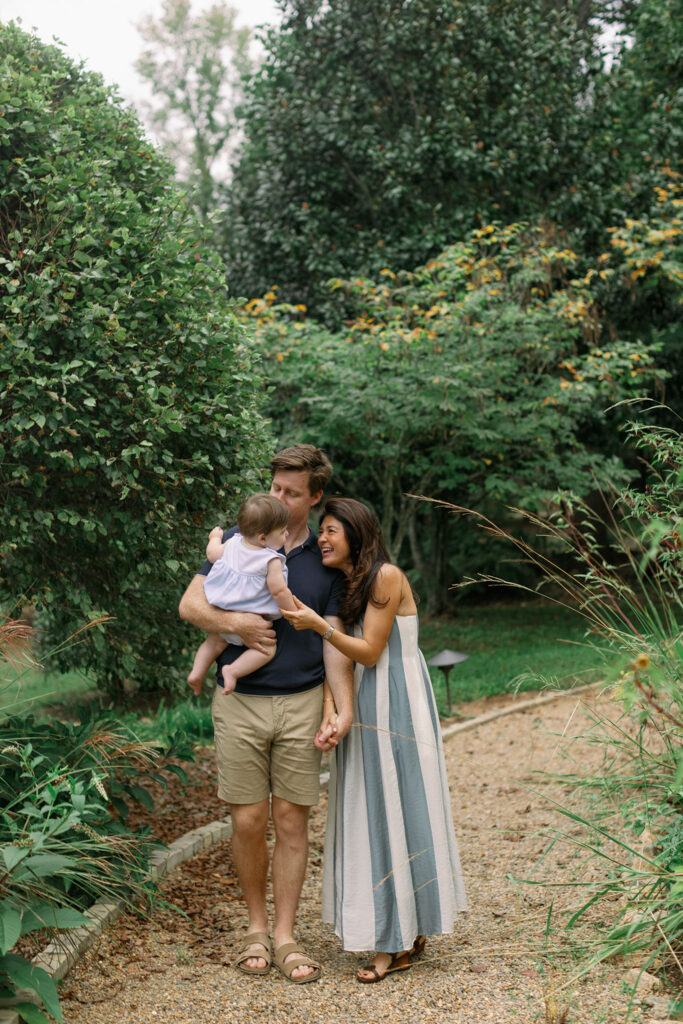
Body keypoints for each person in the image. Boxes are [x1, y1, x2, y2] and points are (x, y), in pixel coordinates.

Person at [178, 445, 354, 983]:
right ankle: (255, 927)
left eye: (291, 493)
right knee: (249, 820)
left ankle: (285, 936)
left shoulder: (324, 559)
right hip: (240, 704)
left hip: (301, 701)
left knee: (291, 821)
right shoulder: (240, 538)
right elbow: (190, 605)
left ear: (315, 497)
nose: (277, 498)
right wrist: (240, 623)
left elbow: (333, 645)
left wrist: (338, 707)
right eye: (275, 487)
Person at [282, 497, 467, 982]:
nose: (321, 539)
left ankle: (395, 942)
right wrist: (332, 708)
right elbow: (336, 661)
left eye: (330, 531)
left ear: (356, 534)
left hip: (398, 702)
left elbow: (368, 652)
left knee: (399, 808)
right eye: (320, 531)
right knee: (372, 812)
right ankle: (402, 926)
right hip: (362, 704)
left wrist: (319, 624)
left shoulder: (387, 576)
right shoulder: (343, 583)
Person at [187, 494, 295, 697]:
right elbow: (279, 591)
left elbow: (212, 554)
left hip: (223, 614)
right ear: (263, 538)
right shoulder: (271, 560)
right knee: (266, 651)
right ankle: (233, 670)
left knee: (212, 643)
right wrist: (292, 610)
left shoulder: (233, 543)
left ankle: (197, 672)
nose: (287, 534)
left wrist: (214, 538)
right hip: (254, 621)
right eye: (282, 532)